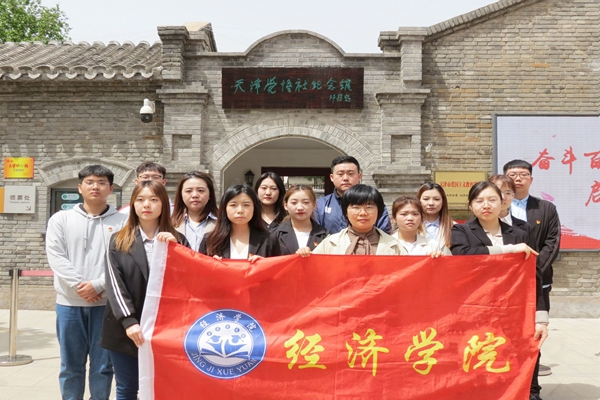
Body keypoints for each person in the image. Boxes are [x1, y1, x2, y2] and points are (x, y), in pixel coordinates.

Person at [101, 180, 189, 400]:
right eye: (140, 200)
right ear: (133, 204)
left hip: (165, 329)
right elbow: (115, 284)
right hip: (126, 329)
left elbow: (186, 284)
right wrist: (129, 321)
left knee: (164, 387)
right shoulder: (118, 240)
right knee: (127, 387)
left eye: (153, 199)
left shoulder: (178, 240)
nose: (146, 205)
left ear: (163, 204)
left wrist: (176, 250)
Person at [46, 164, 128, 400]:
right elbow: (56, 256)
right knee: (70, 366)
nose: (96, 187)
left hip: (106, 305)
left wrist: (98, 285)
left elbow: (124, 260)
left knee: (103, 366)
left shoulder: (124, 222)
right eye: (90, 182)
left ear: (110, 188)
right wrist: (80, 286)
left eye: (102, 183)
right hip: (69, 304)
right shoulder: (61, 219)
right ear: (80, 187)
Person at [450, 182, 548, 345]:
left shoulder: (520, 235)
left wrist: (541, 319)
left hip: (512, 310)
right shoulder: (461, 231)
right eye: (479, 201)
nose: (486, 205)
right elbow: (463, 254)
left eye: (492, 200)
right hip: (474, 310)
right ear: (471, 206)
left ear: (502, 203)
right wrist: (509, 249)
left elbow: (533, 277)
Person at [504, 159, 561, 400]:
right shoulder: (497, 207)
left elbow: (552, 243)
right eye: (512, 174)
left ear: (531, 179)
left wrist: (530, 272)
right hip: (504, 286)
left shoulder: (545, 208)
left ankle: (532, 389)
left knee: (532, 335)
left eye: (523, 174)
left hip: (536, 284)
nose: (518, 178)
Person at [314, 184, 405, 255]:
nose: (363, 213)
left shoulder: (395, 245)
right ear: (346, 212)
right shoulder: (329, 244)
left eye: (369, 207)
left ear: (379, 211)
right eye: (356, 207)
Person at [199, 184, 278, 260]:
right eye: (233, 205)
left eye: (246, 205)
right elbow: (199, 267)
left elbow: (278, 267)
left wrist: (265, 264)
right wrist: (211, 264)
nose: (240, 210)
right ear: (224, 208)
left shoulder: (269, 240)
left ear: (254, 208)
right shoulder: (209, 240)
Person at [316, 155, 391, 234]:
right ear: (332, 177)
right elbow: (315, 235)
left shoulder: (374, 204)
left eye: (350, 174)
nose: (345, 178)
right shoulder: (320, 205)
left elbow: (384, 233)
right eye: (340, 174)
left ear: (359, 176)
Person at [272, 184, 328, 256]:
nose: (300, 207)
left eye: (306, 202)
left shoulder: (326, 236)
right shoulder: (274, 235)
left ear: (314, 205)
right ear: (285, 205)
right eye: (294, 203)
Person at [171, 171, 218, 251]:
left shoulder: (222, 222)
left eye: (200, 190)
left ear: (210, 194)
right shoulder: (170, 224)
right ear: (181, 194)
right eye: (189, 191)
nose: (195, 195)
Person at [417, 182, 454, 250]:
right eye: (426, 199)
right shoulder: (411, 226)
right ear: (418, 200)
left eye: (436, 199)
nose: (431, 203)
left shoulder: (454, 227)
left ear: (443, 201)